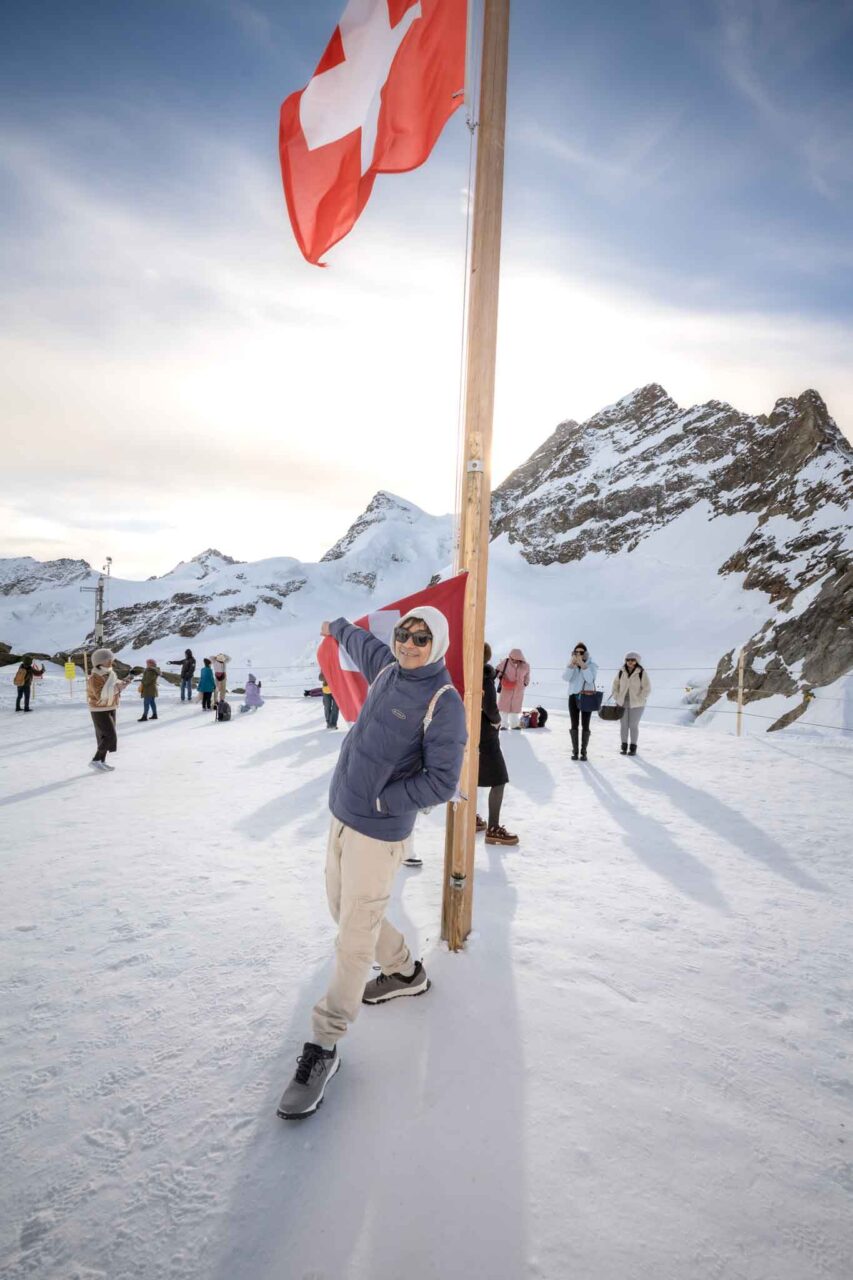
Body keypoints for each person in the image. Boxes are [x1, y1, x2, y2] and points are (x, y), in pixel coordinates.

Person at [277, 607, 467, 1120]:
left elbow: (441, 783)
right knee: (345, 910)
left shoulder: (443, 703)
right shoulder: (388, 669)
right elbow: (362, 645)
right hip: (342, 814)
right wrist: (334, 626)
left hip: (377, 831)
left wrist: (382, 803)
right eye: (405, 633)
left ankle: (325, 1042)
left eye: (421, 638)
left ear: (439, 643)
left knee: (354, 936)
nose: (408, 643)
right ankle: (405, 970)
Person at [477, 643, 518, 846]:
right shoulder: (484, 677)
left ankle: (470, 818)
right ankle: (493, 828)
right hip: (485, 733)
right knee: (499, 778)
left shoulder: (461, 673)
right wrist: (496, 721)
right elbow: (490, 707)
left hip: (465, 731)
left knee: (470, 775)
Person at [86, 648, 132, 771]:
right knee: (109, 736)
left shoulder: (110, 674)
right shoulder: (95, 677)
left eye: (111, 660)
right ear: (99, 662)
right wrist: (118, 687)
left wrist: (123, 684)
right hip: (99, 709)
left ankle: (101, 761)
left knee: (105, 737)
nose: (111, 662)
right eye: (108, 660)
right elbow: (100, 695)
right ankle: (95, 760)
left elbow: (114, 687)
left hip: (111, 707)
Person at [562, 641, 599, 761]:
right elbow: (565, 678)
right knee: (574, 724)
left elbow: (590, 679)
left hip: (586, 696)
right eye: (575, 652)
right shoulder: (571, 664)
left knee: (585, 724)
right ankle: (575, 751)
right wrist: (572, 665)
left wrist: (583, 665)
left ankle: (584, 752)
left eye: (581, 652)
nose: (578, 654)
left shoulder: (592, 665)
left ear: (585, 653)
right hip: (573, 696)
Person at [612, 651, 652, 755]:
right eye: (628, 660)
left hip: (637, 704)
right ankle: (624, 747)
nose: (630, 662)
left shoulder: (642, 672)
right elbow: (615, 686)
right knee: (623, 725)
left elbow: (647, 688)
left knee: (633, 725)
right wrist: (617, 697)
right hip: (622, 702)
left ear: (637, 661)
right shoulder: (621, 672)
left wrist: (640, 699)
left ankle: (633, 747)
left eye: (632, 660)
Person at [496, 647, 530, 729]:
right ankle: (503, 725)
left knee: (515, 708)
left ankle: (514, 725)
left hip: (518, 690)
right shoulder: (505, 662)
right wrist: (501, 677)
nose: (514, 660)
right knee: (504, 708)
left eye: (516, 659)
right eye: (513, 658)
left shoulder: (525, 666)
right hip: (506, 689)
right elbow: (497, 670)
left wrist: (525, 683)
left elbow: (527, 676)